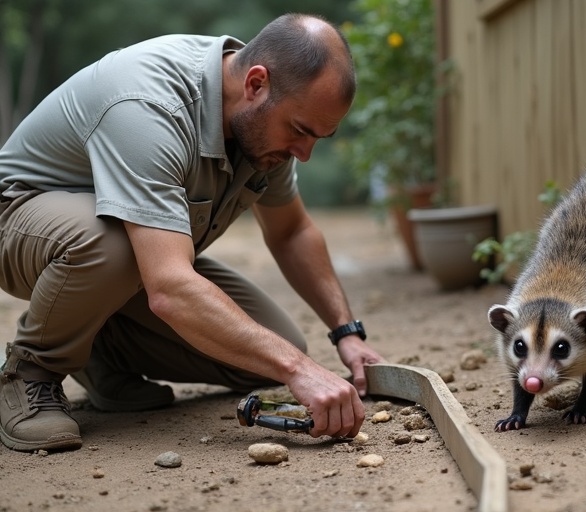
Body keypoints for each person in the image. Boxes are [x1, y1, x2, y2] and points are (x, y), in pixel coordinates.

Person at [0, 13, 385, 453]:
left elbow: (292, 231)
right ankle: (30, 373)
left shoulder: (265, 125)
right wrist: (299, 370)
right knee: (115, 246)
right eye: (300, 131)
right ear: (256, 83)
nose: (305, 153)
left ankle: (94, 348)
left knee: (266, 351)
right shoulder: (149, 106)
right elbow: (168, 286)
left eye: (318, 137)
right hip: (18, 221)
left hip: (124, 255)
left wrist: (346, 333)